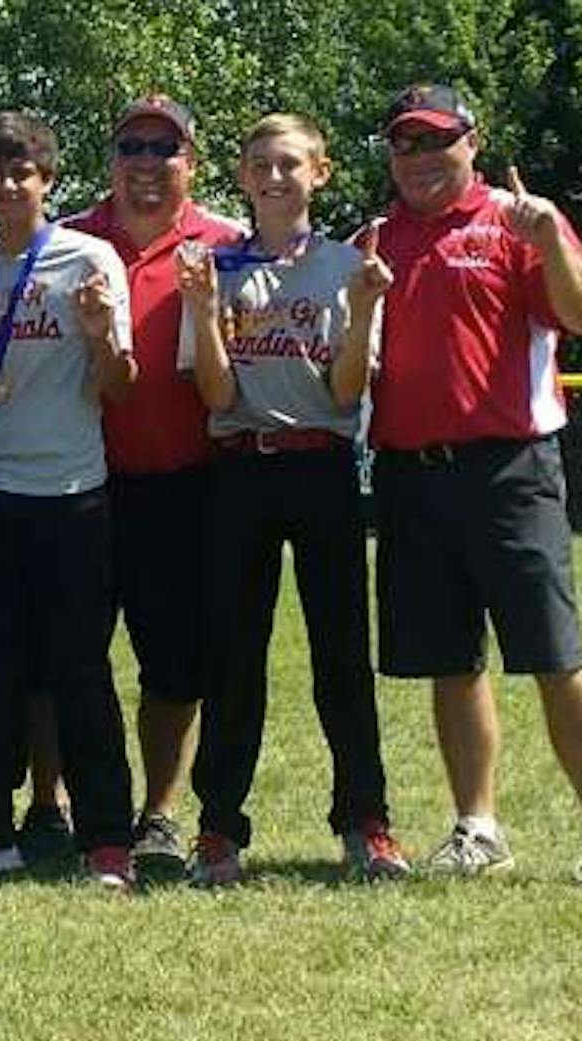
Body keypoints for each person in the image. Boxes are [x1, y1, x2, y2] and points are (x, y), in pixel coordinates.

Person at [175, 114, 405, 885]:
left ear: (321, 173)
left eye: (290, 165)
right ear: (240, 177)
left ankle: (365, 820)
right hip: (239, 467)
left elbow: (346, 393)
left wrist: (367, 307)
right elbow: (214, 391)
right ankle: (219, 827)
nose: (274, 179)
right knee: (233, 655)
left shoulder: (347, 265)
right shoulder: (215, 266)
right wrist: (205, 311)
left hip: (322, 466)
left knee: (341, 652)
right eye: (259, 166)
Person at [360, 83, 582, 878]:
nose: (418, 158)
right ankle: (477, 827)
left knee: (557, 658)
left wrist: (550, 238)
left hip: (509, 469)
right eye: (403, 143)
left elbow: (577, 314)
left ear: (473, 142)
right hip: (410, 476)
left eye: (434, 140)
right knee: (452, 660)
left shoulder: (518, 220)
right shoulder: (376, 237)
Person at [0, 111, 140, 888]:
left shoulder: (91, 261)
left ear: (47, 180)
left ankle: (107, 842)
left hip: (72, 495)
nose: (8, 186)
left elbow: (118, 388)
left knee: (80, 670)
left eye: (22, 172)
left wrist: (96, 333)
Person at [60, 95, 245, 874]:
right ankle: (51, 804)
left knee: (173, 664)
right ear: (111, 159)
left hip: (186, 484)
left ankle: (160, 812)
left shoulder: (229, 245)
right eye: (130, 145)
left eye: (163, 149)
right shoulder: (67, 241)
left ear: (189, 163)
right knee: (64, 657)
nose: (144, 161)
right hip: (79, 485)